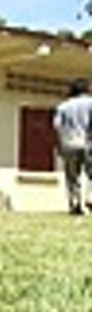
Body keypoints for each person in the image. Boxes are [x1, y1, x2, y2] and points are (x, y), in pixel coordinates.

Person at [54, 78, 92, 215]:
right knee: (90, 172)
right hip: (87, 141)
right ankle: (89, 198)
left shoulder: (63, 106)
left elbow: (57, 126)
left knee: (72, 176)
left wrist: (60, 144)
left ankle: (75, 203)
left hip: (69, 143)